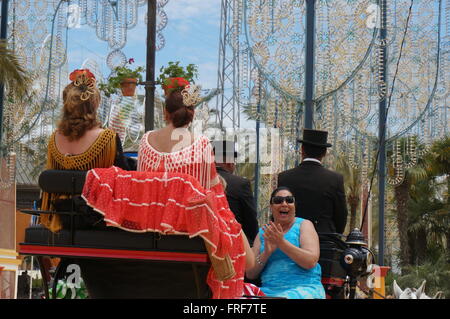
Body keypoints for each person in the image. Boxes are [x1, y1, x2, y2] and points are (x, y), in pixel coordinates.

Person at [106, 80, 254, 298]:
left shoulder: (146, 141)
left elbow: (146, 185)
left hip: (152, 221)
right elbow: (209, 191)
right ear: (192, 114)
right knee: (241, 245)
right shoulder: (201, 144)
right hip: (188, 226)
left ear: (166, 113)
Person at [39, 69, 131, 233]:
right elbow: (123, 182)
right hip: (96, 221)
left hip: (58, 218)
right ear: (95, 104)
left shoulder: (54, 139)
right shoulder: (108, 138)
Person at [246, 186, 325, 299]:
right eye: (278, 201)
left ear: (294, 206)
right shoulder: (263, 232)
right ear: (271, 207)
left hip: (303, 288)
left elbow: (310, 261)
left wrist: (281, 243)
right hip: (268, 291)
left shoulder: (304, 225)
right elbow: (250, 273)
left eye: (289, 200)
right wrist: (266, 253)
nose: (284, 203)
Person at [277, 129, 348, 234]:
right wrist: (334, 235)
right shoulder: (335, 179)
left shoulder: (284, 177)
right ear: (324, 153)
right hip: (323, 239)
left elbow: (278, 209)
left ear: (302, 150)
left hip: (292, 237)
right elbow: (341, 215)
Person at [212, 140, 259, 245]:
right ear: (229, 162)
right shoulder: (241, 184)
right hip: (233, 243)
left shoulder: (199, 181)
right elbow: (250, 222)